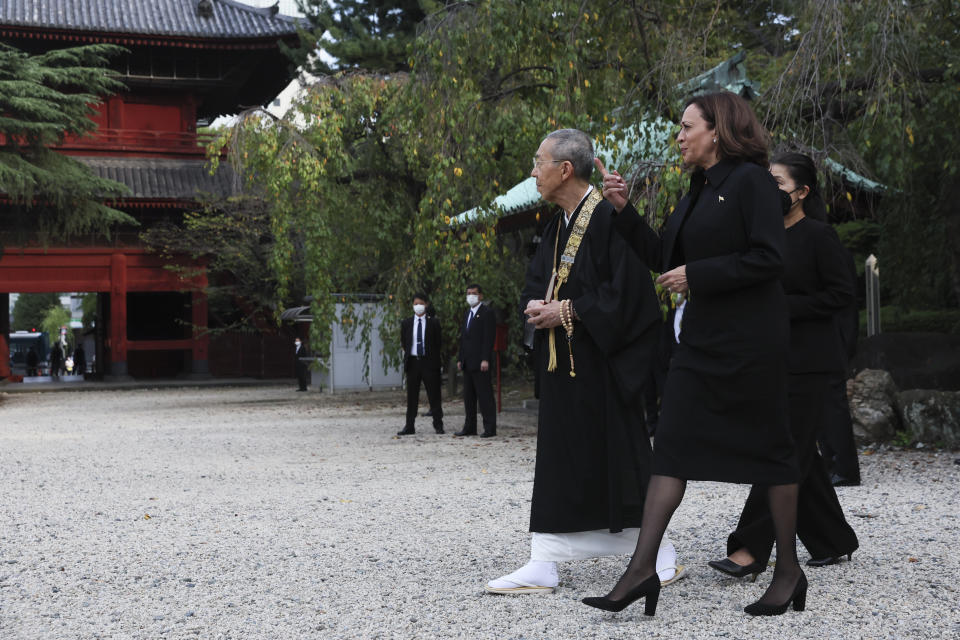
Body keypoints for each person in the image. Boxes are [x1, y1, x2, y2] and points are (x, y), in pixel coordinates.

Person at [585, 92, 803, 617]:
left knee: (772, 453)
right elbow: (665, 258)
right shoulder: (699, 190)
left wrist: (699, 275)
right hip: (701, 342)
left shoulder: (751, 181)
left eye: (687, 127)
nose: (679, 137)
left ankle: (788, 571)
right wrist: (623, 211)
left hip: (751, 343)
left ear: (718, 129)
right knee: (673, 445)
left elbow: (769, 259)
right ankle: (641, 571)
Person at [485, 128, 682, 596]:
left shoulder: (610, 218)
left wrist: (568, 311)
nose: (533, 172)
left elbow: (632, 296)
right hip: (562, 368)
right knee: (561, 461)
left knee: (618, 456)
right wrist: (535, 307)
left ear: (565, 169)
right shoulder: (556, 223)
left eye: (538, 162)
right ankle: (544, 559)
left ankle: (660, 554)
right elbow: (538, 281)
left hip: (603, 366)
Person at [708, 152, 859, 581]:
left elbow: (840, 294)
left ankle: (749, 549)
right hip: (768, 359)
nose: (769, 191)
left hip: (809, 362)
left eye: (777, 183)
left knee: (780, 454)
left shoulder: (818, 237)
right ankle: (833, 539)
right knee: (795, 456)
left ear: (802, 192)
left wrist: (783, 307)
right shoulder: (764, 237)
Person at [820, 247, 862, 487]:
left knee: (833, 402)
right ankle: (831, 462)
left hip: (834, 335)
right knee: (822, 402)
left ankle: (844, 468)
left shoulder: (828, 246)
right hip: (831, 334)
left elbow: (843, 300)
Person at [398, 292, 444, 435]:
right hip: (413, 363)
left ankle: (438, 424)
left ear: (426, 305)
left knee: (434, 395)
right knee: (412, 396)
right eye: (415, 304)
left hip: (429, 363)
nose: (418, 306)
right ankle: (409, 425)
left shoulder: (434, 322)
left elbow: (439, 343)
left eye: (421, 303)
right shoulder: (406, 323)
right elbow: (404, 342)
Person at [455, 284, 497, 438]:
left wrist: (485, 358)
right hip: (468, 362)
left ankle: (490, 428)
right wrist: (461, 358)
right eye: (468, 293)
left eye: (474, 293)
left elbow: (488, 338)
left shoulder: (487, 313)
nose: (471, 296)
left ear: (480, 296)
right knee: (469, 397)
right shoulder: (467, 314)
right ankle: (469, 427)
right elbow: (464, 339)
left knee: (485, 396)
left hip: (481, 362)